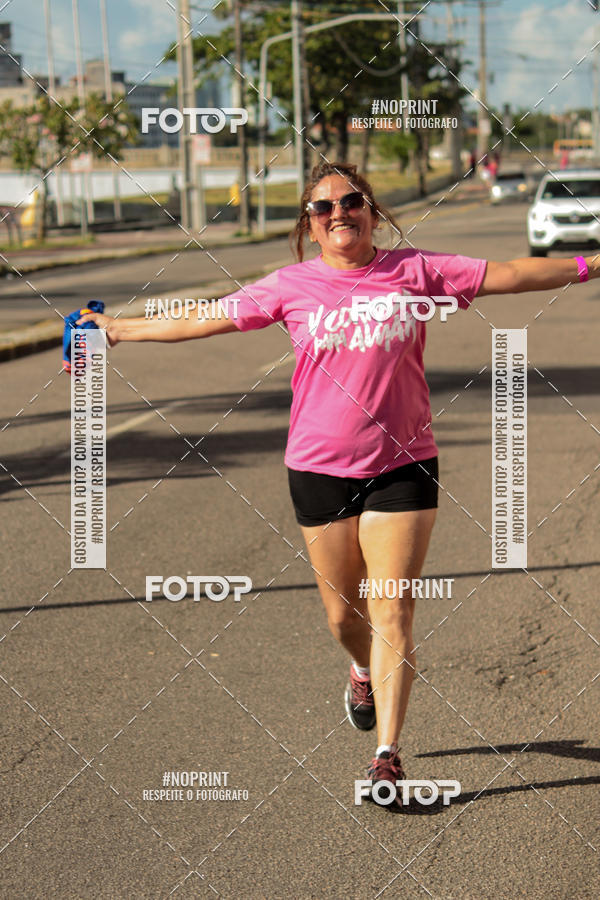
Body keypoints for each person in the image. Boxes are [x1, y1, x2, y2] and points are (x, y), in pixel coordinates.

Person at [79, 161, 599, 809]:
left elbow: (513, 274)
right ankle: (360, 671)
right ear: (310, 224)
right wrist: (119, 330)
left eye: (351, 200)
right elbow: (206, 315)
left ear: (372, 211)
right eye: (322, 207)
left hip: (404, 467)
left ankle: (386, 757)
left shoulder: (416, 272)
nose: (338, 212)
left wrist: (592, 265)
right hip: (318, 468)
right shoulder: (290, 286)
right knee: (341, 615)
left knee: (393, 607)